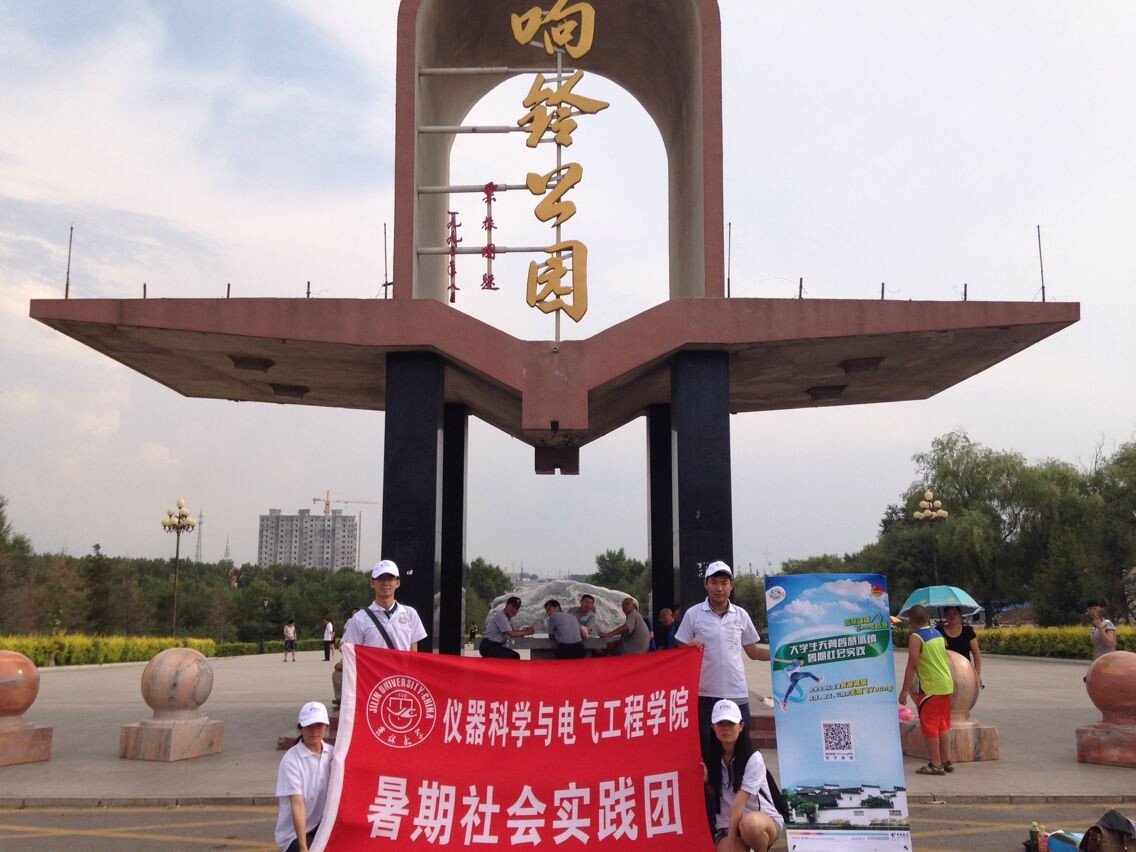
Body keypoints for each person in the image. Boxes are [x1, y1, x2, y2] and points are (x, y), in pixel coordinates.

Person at [675, 561, 769, 751]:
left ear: (731, 585)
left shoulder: (740, 615)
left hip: (737, 694)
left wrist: (781, 653)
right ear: (706, 584)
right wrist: (688, 647)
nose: (719, 588)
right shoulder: (693, 614)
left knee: (740, 748)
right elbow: (680, 648)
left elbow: (754, 652)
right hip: (705, 695)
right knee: (708, 748)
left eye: (724, 583)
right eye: (714, 582)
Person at [332, 560, 426, 708]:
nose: (385, 583)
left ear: (397, 582)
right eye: (380, 579)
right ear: (372, 583)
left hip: (402, 685)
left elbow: (413, 654)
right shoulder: (360, 619)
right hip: (372, 688)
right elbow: (351, 655)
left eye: (390, 578)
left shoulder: (410, 614)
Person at [702, 699, 783, 852]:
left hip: (762, 821)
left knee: (750, 824)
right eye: (720, 723)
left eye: (730, 723)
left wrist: (731, 841)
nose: (726, 728)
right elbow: (719, 795)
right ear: (713, 727)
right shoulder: (711, 757)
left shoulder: (753, 758)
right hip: (727, 824)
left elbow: (739, 803)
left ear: (741, 726)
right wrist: (707, 781)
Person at [899, 604, 955, 775]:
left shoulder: (916, 637)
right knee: (942, 724)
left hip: (931, 687)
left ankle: (935, 765)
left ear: (911, 620)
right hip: (946, 684)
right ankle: (946, 760)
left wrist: (904, 690)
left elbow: (912, 664)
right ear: (927, 618)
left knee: (930, 726)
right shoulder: (937, 634)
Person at [275, 701, 333, 852]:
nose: (314, 731)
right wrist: (303, 848)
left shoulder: (332, 754)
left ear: (326, 727)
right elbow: (297, 805)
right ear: (300, 728)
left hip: (321, 827)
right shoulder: (291, 761)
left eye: (319, 725)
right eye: (309, 726)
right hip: (294, 835)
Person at [937, 605, 983, 688]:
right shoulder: (938, 632)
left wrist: (977, 674)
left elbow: (976, 653)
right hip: (944, 673)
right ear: (945, 616)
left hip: (965, 672)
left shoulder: (968, 632)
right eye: (948, 613)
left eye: (955, 613)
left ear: (960, 615)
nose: (952, 616)